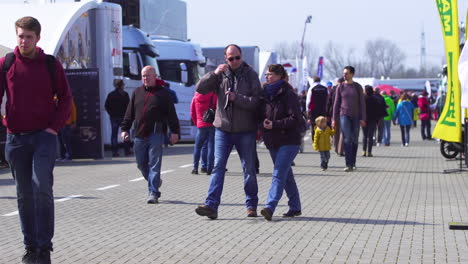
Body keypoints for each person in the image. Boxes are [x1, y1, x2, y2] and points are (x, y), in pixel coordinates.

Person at [0, 16, 72, 264]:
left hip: (44, 137)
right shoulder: (6, 63)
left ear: (37, 38)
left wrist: (53, 129)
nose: (23, 40)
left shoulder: (51, 65)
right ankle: (30, 247)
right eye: (20, 35)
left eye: (28, 36)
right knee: (23, 193)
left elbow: (65, 99)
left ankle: (44, 247)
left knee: (41, 187)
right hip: (16, 139)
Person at [194, 44, 262, 220]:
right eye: (231, 58)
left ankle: (251, 205)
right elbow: (200, 89)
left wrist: (236, 98)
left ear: (241, 56)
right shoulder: (221, 74)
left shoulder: (251, 75)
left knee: (249, 169)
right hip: (223, 129)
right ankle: (211, 205)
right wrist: (214, 74)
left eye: (237, 57)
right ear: (226, 58)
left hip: (245, 130)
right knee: (217, 167)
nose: (234, 61)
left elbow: (257, 102)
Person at [121, 66, 180, 204]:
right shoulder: (137, 92)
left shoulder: (164, 93)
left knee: (154, 164)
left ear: (155, 77)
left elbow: (171, 114)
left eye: (148, 76)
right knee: (141, 164)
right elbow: (129, 113)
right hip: (139, 134)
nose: (145, 78)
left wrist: (175, 132)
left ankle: (153, 192)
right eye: (143, 76)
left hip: (156, 134)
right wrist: (124, 129)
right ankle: (156, 181)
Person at [259, 64, 302, 221]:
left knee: (278, 173)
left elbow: (295, 119)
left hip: (289, 141)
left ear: (278, 76)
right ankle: (295, 207)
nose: (267, 77)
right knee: (286, 175)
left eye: (270, 74)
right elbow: (260, 114)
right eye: (266, 74)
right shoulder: (264, 94)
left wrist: (275, 124)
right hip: (273, 141)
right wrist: (261, 124)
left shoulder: (288, 94)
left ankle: (270, 207)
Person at [332, 66, 366, 172]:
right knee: (347, 138)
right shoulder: (340, 87)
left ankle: (353, 162)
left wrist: (363, 117)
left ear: (352, 74)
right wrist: (334, 118)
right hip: (344, 115)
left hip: (356, 116)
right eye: (344, 73)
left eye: (346, 73)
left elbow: (362, 104)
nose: (344, 75)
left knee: (354, 139)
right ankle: (348, 163)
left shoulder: (357, 87)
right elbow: (336, 104)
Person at [190, 91, 217, 175]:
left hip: (200, 125)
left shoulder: (196, 95)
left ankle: (195, 168)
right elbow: (217, 108)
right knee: (211, 146)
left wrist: (196, 122)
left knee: (198, 147)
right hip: (211, 124)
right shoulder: (213, 94)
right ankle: (209, 168)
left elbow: (192, 111)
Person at [104, 79, 131, 157]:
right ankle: (127, 150)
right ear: (121, 85)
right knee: (125, 133)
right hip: (123, 117)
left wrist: (111, 113)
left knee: (114, 135)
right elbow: (129, 106)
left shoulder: (111, 94)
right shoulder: (125, 94)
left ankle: (115, 152)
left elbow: (106, 106)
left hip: (114, 117)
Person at [362, 86, 386, 157]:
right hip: (372, 120)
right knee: (370, 136)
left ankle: (364, 151)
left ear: (365, 91)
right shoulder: (375, 99)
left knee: (364, 136)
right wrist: (377, 119)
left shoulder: (363, 99)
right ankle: (369, 151)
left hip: (364, 119)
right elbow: (378, 110)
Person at [306, 76, 328, 140]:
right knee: (323, 123)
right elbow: (328, 98)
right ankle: (323, 138)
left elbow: (308, 100)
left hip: (314, 109)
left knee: (314, 124)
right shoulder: (325, 88)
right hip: (323, 109)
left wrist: (307, 110)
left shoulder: (311, 88)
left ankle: (315, 138)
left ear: (313, 81)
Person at [327, 77, 345, 156]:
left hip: (333, 114)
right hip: (342, 113)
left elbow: (328, 102)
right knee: (342, 132)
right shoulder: (344, 89)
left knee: (336, 132)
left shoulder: (332, 90)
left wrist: (327, 113)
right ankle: (340, 150)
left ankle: (336, 147)